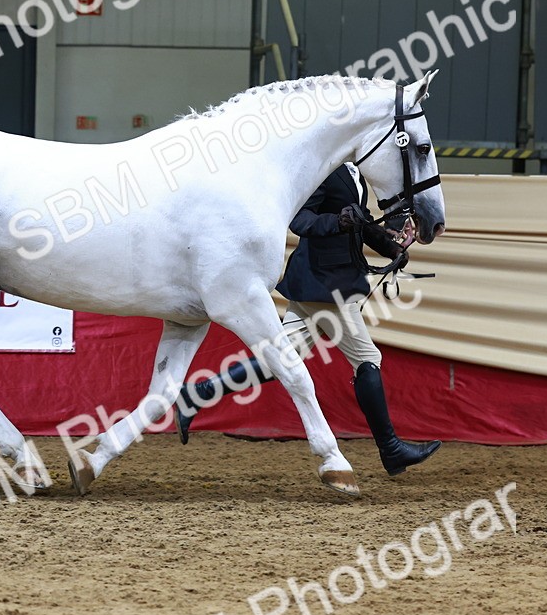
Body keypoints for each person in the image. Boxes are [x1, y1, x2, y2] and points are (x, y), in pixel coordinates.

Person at [174, 163, 441, 476]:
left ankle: (201, 392)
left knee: (284, 356)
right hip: (326, 285)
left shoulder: (353, 173)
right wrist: (338, 221)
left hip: (322, 281)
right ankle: (391, 449)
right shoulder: (325, 171)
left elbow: (361, 223)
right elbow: (301, 221)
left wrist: (391, 247)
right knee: (367, 358)